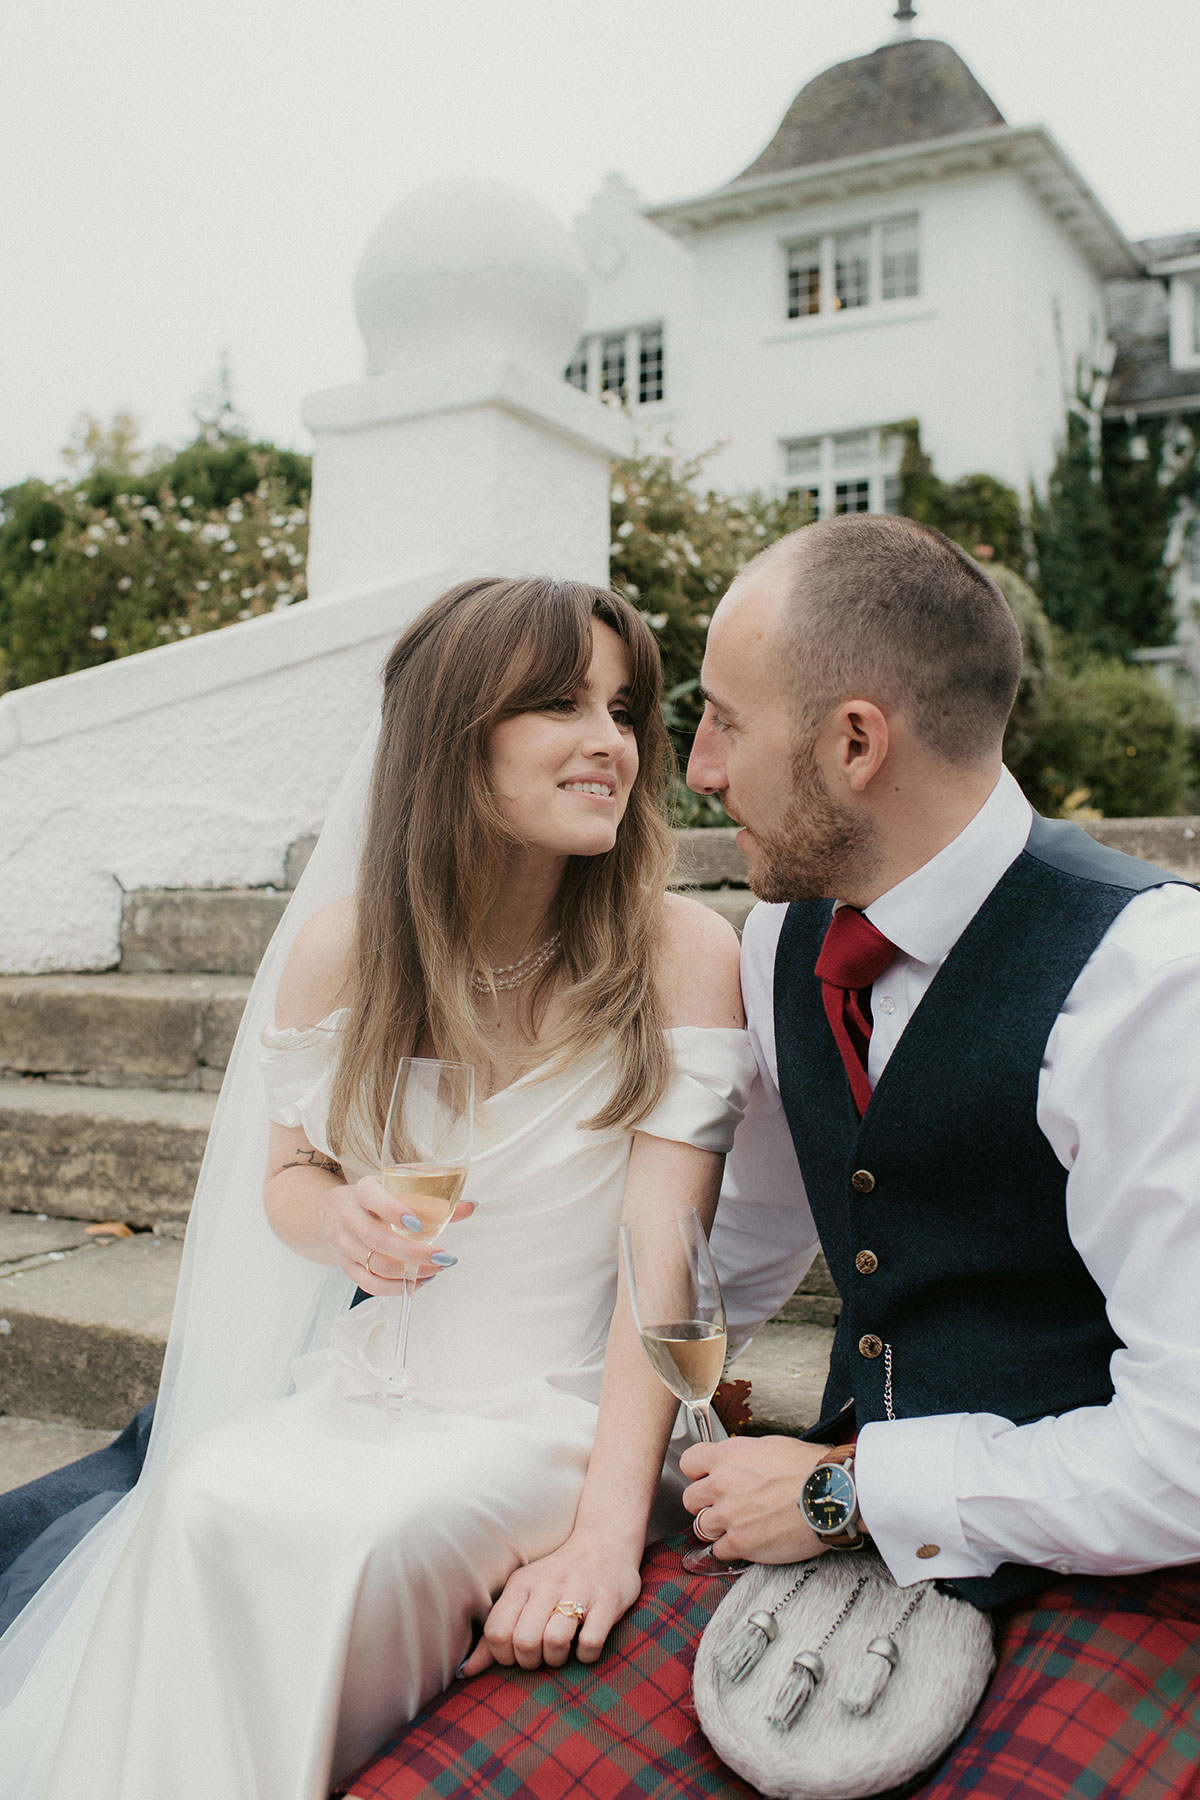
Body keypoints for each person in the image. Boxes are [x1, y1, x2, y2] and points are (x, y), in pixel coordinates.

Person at [352, 514, 1200, 1800]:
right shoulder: (778, 944)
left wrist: (843, 1494)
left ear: (855, 743)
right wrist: (575, 1499)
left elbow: (1187, 1460)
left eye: (724, 723)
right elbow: (723, 1261)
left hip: (1122, 1574)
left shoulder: (1150, 986)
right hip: (827, 1535)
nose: (688, 768)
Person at [0, 575, 754, 1800]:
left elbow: (662, 1265)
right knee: (200, 1497)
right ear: (458, 739)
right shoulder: (346, 949)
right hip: (376, 1385)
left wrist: (612, 1534)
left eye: (625, 710)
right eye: (560, 705)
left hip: (566, 1416)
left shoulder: (682, 954)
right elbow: (290, 1181)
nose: (610, 743)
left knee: (353, 1540)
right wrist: (336, 1214)